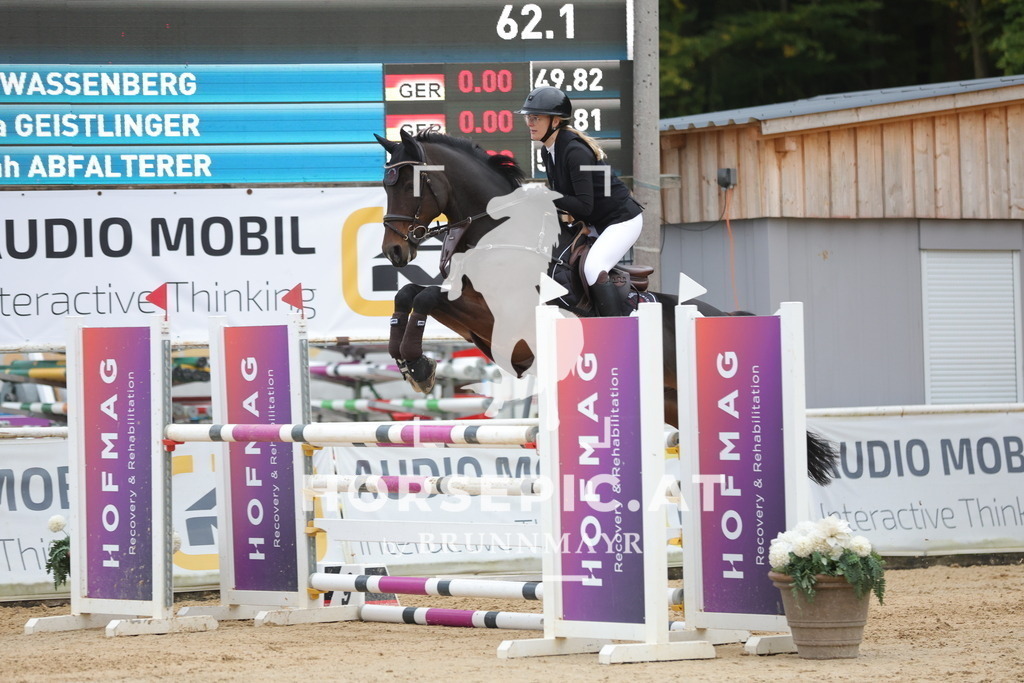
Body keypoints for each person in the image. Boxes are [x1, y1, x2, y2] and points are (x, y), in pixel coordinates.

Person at [515, 86, 644, 317]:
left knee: (594, 268)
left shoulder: (574, 151)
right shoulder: (549, 151)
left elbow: (584, 206)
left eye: (536, 118)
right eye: (528, 118)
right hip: (596, 221)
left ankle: (617, 327)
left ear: (555, 121)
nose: (530, 123)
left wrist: (545, 196)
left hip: (621, 220)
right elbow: (568, 201)